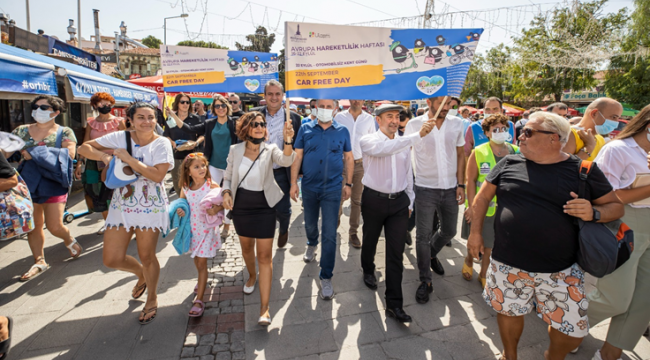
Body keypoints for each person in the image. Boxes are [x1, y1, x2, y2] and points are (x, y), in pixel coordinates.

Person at [467, 111, 623, 360]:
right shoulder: (508, 163)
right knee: (508, 313)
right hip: (508, 263)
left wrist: (593, 212)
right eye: (522, 131)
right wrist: (475, 234)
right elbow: (483, 196)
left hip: (562, 269)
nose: (521, 137)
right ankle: (510, 355)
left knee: (572, 331)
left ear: (554, 138)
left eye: (528, 132)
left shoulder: (584, 170)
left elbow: (616, 207)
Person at [78, 102, 175, 325]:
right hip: (121, 206)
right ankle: (141, 274)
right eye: (141, 117)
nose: (147, 122)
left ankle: (151, 297)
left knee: (148, 255)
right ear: (130, 119)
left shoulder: (161, 143)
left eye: (151, 117)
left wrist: (129, 160)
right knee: (111, 258)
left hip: (150, 205)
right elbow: (84, 147)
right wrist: (106, 158)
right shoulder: (121, 137)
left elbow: (157, 176)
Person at [359, 104, 435, 323]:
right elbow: (384, 150)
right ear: (378, 120)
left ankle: (394, 304)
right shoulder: (369, 141)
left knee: (395, 253)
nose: (394, 120)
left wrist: (409, 199)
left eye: (396, 116)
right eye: (389, 116)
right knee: (370, 240)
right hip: (374, 200)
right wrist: (416, 136)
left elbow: (407, 172)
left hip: (399, 204)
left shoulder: (404, 142)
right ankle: (368, 269)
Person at [586, 105, 650, 360]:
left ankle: (609, 354)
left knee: (644, 299)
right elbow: (607, 197)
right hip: (626, 222)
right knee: (615, 298)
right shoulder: (618, 149)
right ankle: (567, 326)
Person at [222, 111, 295, 326]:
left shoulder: (270, 148)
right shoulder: (235, 150)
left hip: (264, 207)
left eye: (262, 124)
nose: (259, 127)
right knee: (246, 249)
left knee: (265, 256)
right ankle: (251, 276)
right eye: (254, 124)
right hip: (241, 205)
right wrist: (226, 193)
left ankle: (265, 308)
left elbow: (287, 159)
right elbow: (227, 177)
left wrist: (288, 139)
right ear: (245, 128)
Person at [9, 95, 81, 282]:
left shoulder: (64, 132)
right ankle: (39, 260)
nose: (37, 110)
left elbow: (69, 154)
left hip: (54, 182)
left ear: (56, 112)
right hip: (28, 181)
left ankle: (68, 239)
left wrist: (33, 152)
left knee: (55, 226)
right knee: (33, 226)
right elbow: (5, 152)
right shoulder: (21, 131)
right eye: (35, 106)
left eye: (43, 107)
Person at [290, 99, 353, 300]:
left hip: (333, 189)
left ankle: (326, 276)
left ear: (335, 109)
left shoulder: (342, 130)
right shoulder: (305, 128)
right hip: (309, 187)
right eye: (322, 106)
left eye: (329, 106)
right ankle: (311, 242)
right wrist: (293, 183)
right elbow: (297, 156)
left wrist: (349, 184)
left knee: (330, 234)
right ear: (315, 108)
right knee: (310, 223)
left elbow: (349, 158)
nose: (325, 110)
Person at [405, 96, 465, 304]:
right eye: (443, 103)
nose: (447, 108)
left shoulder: (457, 124)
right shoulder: (414, 124)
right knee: (422, 235)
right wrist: (407, 189)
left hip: (450, 188)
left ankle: (430, 255)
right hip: (424, 188)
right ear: (430, 101)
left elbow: (460, 155)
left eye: (450, 104)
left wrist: (461, 184)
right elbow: (405, 153)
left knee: (449, 230)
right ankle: (425, 281)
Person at [461, 114, 518, 288]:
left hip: (504, 207)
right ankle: (469, 260)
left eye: (504, 129)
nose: (500, 132)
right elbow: (470, 180)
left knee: (490, 245)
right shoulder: (478, 152)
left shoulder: (515, 151)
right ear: (487, 132)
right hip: (481, 207)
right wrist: (471, 206)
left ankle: (484, 273)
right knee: (476, 240)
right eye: (495, 129)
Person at [168, 94, 236, 238]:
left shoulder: (234, 122)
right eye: (217, 106)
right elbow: (189, 129)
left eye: (223, 105)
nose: (220, 108)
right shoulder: (209, 123)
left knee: (229, 194)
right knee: (209, 194)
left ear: (227, 107)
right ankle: (212, 220)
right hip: (214, 164)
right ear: (213, 109)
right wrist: (174, 116)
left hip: (231, 166)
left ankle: (227, 225)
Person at [250, 80, 302, 248]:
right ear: (264, 96)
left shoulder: (293, 118)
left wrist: (297, 175)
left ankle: (284, 229)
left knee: (283, 209)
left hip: (281, 172)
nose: (274, 97)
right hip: (257, 172)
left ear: (282, 96)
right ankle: (264, 240)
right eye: (270, 94)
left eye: (277, 94)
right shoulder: (253, 115)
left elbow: (297, 148)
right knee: (261, 209)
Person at [176, 152, 223, 318]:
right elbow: (182, 205)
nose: (202, 168)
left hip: (207, 230)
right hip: (193, 230)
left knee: (202, 262)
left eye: (203, 165)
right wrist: (181, 211)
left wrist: (215, 209)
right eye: (197, 166)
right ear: (188, 171)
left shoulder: (211, 185)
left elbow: (224, 203)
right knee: (197, 259)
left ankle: (199, 299)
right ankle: (201, 281)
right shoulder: (186, 188)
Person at [75, 92, 126, 235]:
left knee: (118, 193)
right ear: (95, 105)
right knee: (97, 193)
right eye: (102, 103)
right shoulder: (91, 123)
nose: (106, 106)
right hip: (94, 163)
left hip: (116, 161)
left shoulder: (118, 121)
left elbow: (127, 142)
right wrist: (80, 162)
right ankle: (108, 223)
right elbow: (85, 144)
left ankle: (124, 223)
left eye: (108, 103)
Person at [334, 100, 374, 248]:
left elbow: (371, 142)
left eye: (360, 97)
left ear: (363, 100)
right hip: (341, 164)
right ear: (349, 99)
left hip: (360, 165)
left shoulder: (369, 119)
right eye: (354, 97)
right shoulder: (339, 117)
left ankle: (353, 232)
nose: (356, 100)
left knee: (357, 200)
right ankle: (335, 225)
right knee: (338, 197)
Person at [163, 93, 204, 195]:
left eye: (187, 102)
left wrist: (196, 142)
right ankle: (181, 204)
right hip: (176, 155)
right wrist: (171, 142)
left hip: (191, 155)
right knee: (177, 184)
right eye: (182, 102)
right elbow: (166, 134)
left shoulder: (195, 118)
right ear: (177, 103)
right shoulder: (170, 118)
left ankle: (192, 203)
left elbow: (203, 135)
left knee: (193, 182)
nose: (185, 104)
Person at [399, 108, 416, 245]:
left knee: (415, 204)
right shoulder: (394, 135)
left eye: (406, 127)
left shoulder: (417, 131)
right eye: (401, 128)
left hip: (416, 172)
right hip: (400, 173)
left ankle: (407, 229)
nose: (404, 131)